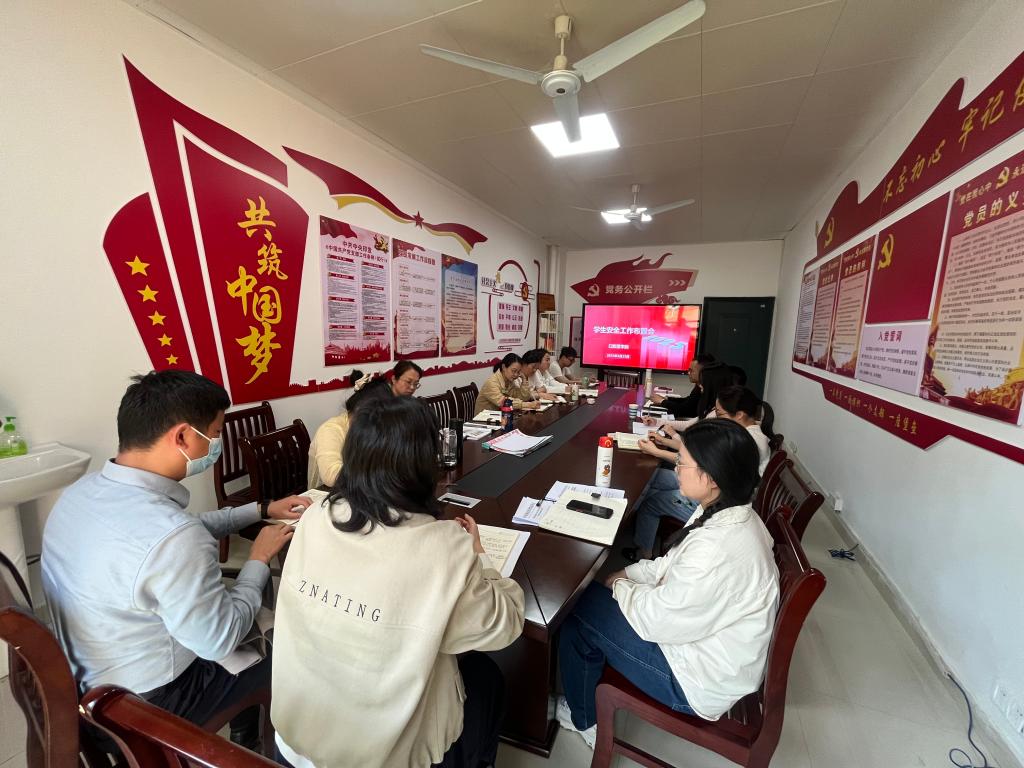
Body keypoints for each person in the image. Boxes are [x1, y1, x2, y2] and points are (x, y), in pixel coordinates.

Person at [41, 371, 311, 750]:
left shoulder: (82, 492)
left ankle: (243, 727)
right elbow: (221, 639)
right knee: (272, 650)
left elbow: (184, 529)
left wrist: (261, 509)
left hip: (85, 681)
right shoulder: (173, 536)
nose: (216, 445)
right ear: (183, 436)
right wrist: (258, 558)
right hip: (144, 703)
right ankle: (252, 744)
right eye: (215, 434)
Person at [272, 397, 525, 768]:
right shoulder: (446, 547)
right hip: (384, 757)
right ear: (426, 462)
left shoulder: (315, 517)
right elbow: (504, 624)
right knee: (486, 676)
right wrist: (480, 555)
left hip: (293, 739)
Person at [556, 419, 779, 749]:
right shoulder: (728, 510)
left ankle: (585, 720)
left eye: (682, 463)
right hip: (705, 648)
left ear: (711, 478)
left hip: (693, 680)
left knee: (576, 604)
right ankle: (585, 706)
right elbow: (671, 563)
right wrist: (630, 574)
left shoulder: (717, 548)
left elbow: (656, 621)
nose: (676, 469)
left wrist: (622, 586)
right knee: (589, 604)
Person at [625, 363, 746, 562]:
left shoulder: (723, 425)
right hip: (711, 489)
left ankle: (644, 553)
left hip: (709, 498)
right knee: (651, 481)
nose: (699, 387)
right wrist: (664, 436)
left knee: (650, 495)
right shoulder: (724, 420)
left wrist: (659, 449)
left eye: (703, 384)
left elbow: (695, 460)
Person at [308, 371, 394, 488]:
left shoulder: (376, 426)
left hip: (364, 488)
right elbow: (332, 476)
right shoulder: (330, 430)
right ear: (359, 409)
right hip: (331, 492)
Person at [714, 385, 777, 474]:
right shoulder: (748, 433)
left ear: (739, 415)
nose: (716, 419)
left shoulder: (748, 441)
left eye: (719, 414)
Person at [650, 353, 715, 419]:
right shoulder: (699, 385)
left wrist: (662, 401)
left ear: (703, 372)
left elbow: (684, 410)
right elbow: (688, 401)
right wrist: (667, 399)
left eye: (691, 370)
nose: (688, 373)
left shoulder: (707, 389)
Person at [474, 353, 540, 414]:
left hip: (501, 416)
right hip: (484, 419)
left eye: (518, 372)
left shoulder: (509, 381)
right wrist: (528, 405)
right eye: (514, 371)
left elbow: (523, 397)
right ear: (504, 367)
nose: (516, 375)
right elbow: (503, 402)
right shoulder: (492, 382)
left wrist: (524, 380)